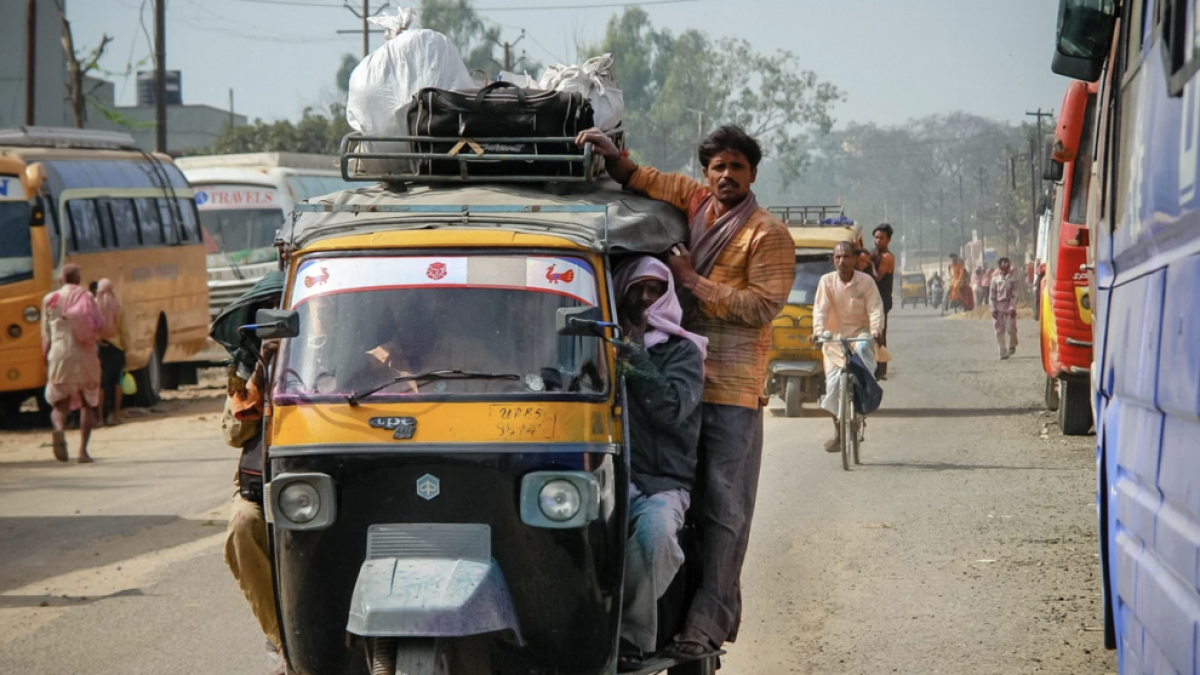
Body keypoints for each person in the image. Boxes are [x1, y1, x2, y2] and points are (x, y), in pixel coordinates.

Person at [576, 125, 795, 656]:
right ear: (706, 173)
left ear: (753, 174)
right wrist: (612, 156)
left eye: (737, 167)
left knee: (722, 509)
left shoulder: (767, 234)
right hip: (675, 372)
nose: (727, 175)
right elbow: (645, 179)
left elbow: (762, 307)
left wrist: (691, 280)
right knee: (669, 502)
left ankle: (706, 624)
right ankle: (661, 616)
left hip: (729, 388)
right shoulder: (695, 202)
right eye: (718, 167)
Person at [612, 257, 707, 666]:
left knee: (657, 540)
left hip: (661, 482)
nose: (646, 298)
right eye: (639, 289)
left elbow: (670, 408)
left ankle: (628, 637)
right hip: (605, 478)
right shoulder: (602, 345)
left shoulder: (683, 351)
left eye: (656, 290)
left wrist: (634, 356)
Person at [212, 271, 287, 674]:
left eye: (286, 309)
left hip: (332, 478)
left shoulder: (350, 348)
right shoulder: (245, 369)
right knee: (243, 525)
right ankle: (284, 642)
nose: (280, 318)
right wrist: (263, 367)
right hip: (263, 484)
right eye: (270, 313)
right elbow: (234, 432)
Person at [811, 241, 884, 450]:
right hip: (835, 340)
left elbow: (875, 309)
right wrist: (818, 332)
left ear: (854, 259)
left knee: (862, 353)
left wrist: (876, 330)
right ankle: (838, 433)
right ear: (833, 260)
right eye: (838, 257)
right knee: (833, 386)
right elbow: (820, 310)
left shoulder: (866, 281)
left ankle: (864, 398)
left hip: (860, 336)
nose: (842, 261)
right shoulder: (826, 282)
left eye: (846, 256)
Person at [41, 263, 103, 463]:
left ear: (61, 279)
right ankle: (83, 452)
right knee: (87, 404)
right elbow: (98, 324)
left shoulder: (49, 299)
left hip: (59, 354)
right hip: (85, 355)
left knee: (59, 404)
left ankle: (59, 430)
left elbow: (46, 334)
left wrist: (46, 358)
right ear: (78, 279)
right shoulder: (87, 297)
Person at [94, 279, 129, 426]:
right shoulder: (119, 307)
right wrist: (126, 348)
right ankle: (116, 415)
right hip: (117, 349)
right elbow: (124, 332)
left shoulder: (94, 306)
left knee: (101, 385)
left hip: (100, 349)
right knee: (117, 383)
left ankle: (100, 419)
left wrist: (96, 339)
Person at [870, 224, 896, 380]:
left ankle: (880, 370)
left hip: (882, 300)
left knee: (879, 334)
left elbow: (877, 277)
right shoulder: (874, 254)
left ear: (889, 240)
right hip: (873, 299)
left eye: (882, 238)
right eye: (876, 237)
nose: (878, 241)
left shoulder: (886, 257)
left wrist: (868, 264)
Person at [991, 257, 1020, 360]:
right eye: (1004, 264)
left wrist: (1012, 308)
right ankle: (1003, 352)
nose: (1006, 266)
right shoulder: (994, 279)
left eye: (1007, 264)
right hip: (998, 307)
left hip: (1009, 306)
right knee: (999, 331)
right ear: (999, 266)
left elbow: (1014, 295)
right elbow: (992, 296)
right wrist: (993, 308)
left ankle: (1012, 344)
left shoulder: (1013, 279)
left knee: (1010, 328)